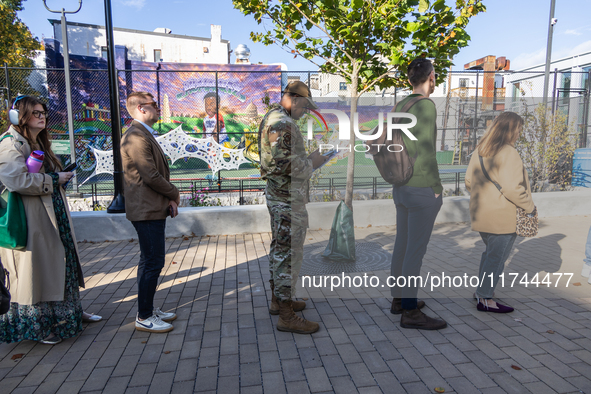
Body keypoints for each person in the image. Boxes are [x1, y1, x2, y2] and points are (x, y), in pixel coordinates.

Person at [0, 95, 100, 346]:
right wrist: (55, 180)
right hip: (28, 221)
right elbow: (17, 181)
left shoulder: (36, 141)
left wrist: (57, 176)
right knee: (35, 274)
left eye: (43, 112)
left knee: (61, 266)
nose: (42, 116)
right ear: (19, 116)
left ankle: (70, 313)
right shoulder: (9, 144)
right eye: (35, 113)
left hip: (50, 217)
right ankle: (39, 327)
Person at [259, 81, 327, 334]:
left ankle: (279, 302)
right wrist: (315, 161)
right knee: (288, 255)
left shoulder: (273, 116)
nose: (305, 112)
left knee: (280, 250)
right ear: (295, 100)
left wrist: (307, 159)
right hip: (287, 200)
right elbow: (286, 165)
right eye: (305, 107)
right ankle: (286, 316)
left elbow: (280, 161)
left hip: (281, 197)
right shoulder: (283, 123)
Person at [389, 58, 447, 330]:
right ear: (431, 77)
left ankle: (399, 300)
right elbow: (426, 152)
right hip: (421, 187)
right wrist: (436, 188)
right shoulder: (425, 106)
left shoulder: (401, 105)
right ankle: (410, 312)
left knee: (402, 244)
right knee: (415, 251)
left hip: (400, 186)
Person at [465, 111, 536, 313]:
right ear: (512, 129)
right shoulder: (509, 152)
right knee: (496, 259)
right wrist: (530, 207)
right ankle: (485, 299)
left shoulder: (481, 148)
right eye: (519, 129)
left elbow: (469, 181)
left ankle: (481, 291)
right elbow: (513, 188)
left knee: (489, 255)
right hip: (502, 216)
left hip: (481, 214)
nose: (520, 133)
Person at [121, 91, 180, 333]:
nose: (157, 108)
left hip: (151, 208)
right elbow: (151, 175)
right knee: (152, 262)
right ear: (141, 109)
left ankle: (148, 309)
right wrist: (174, 194)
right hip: (146, 210)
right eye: (154, 105)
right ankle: (144, 316)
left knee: (151, 261)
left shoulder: (141, 133)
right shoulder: (136, 136)